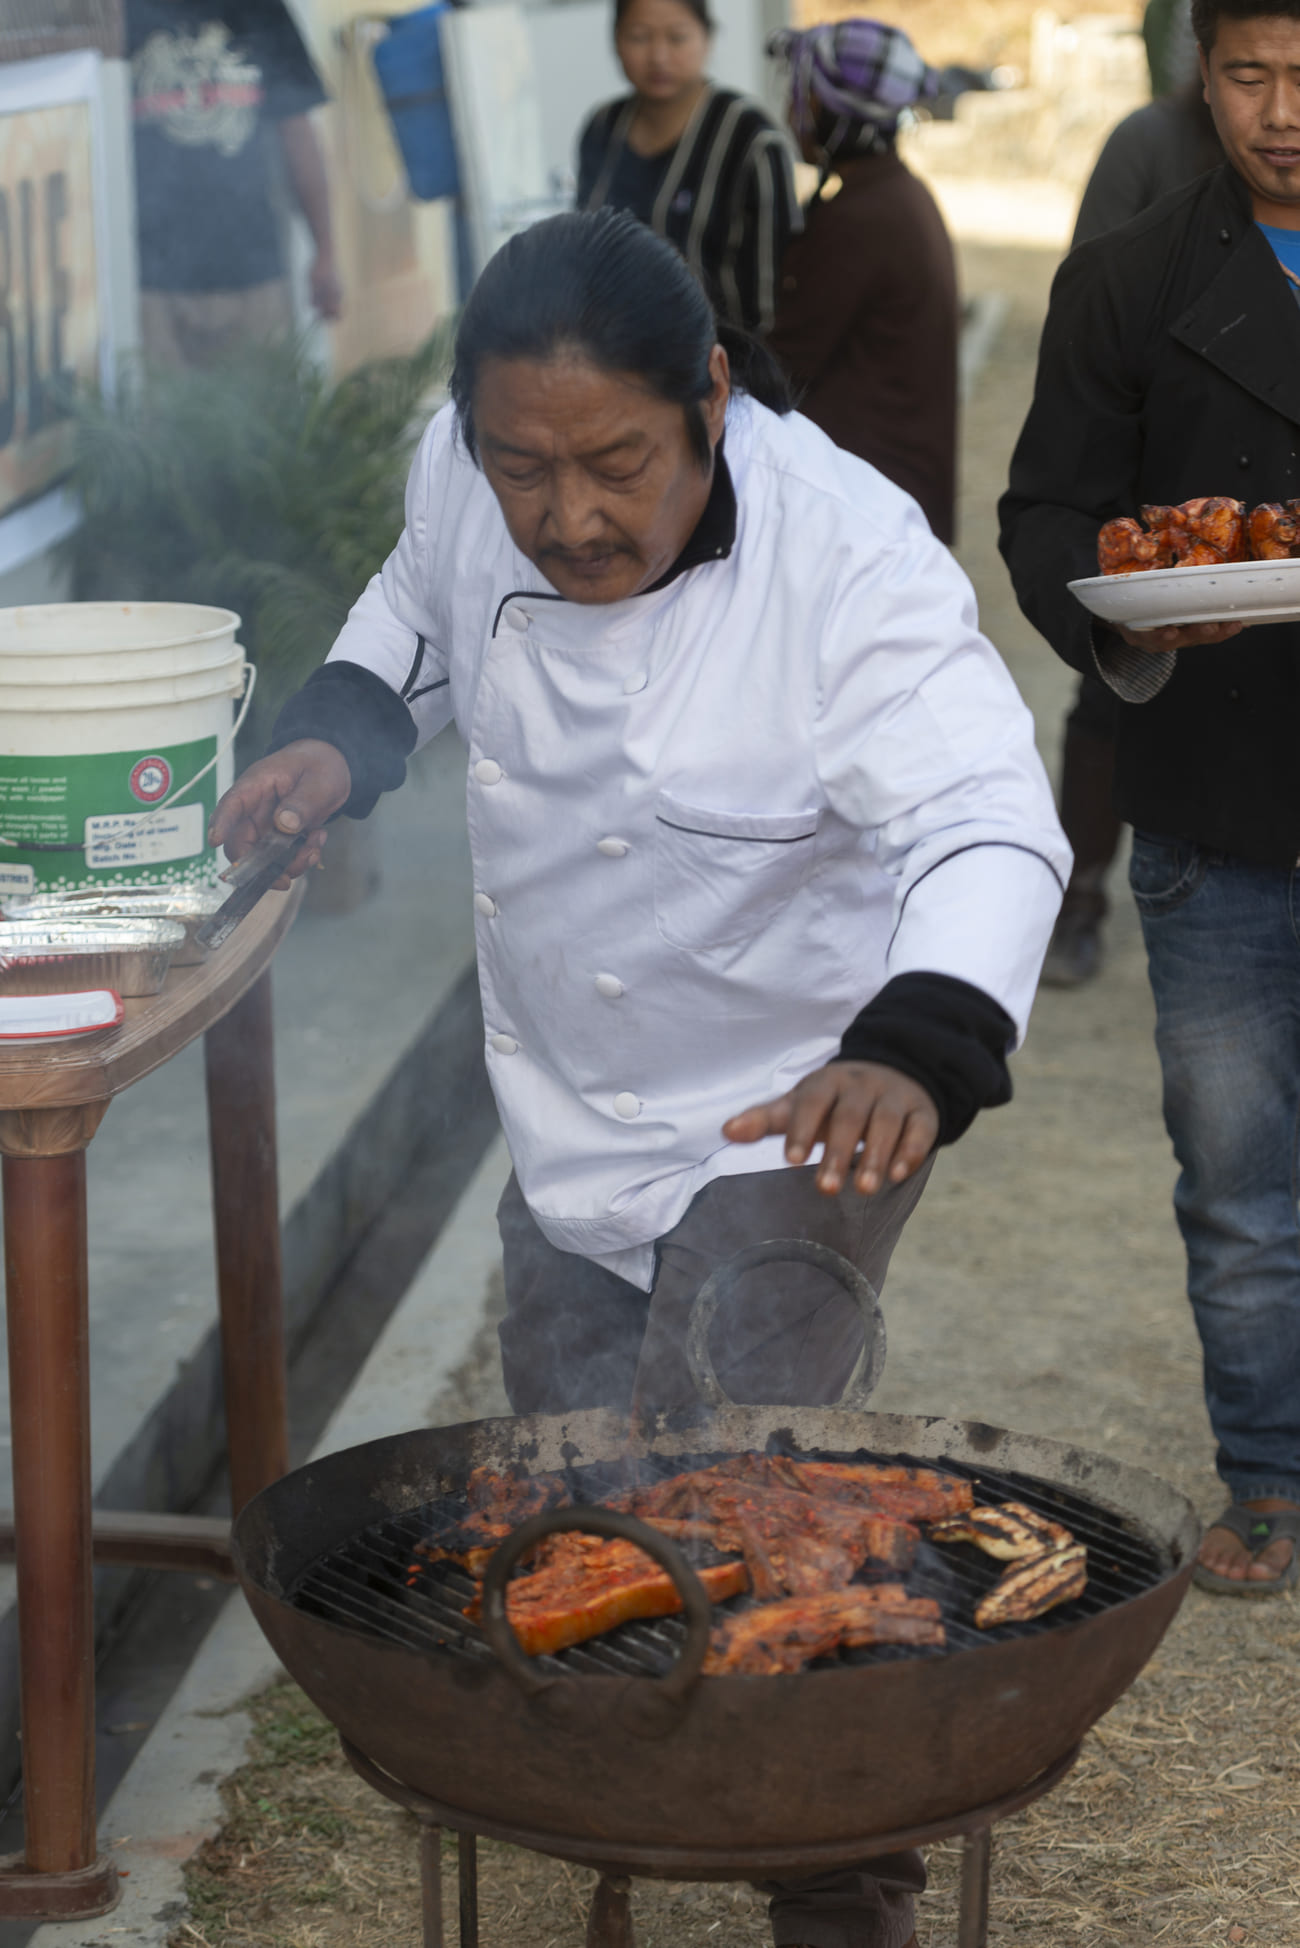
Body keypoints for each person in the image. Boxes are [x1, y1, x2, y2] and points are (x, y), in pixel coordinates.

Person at [214, 209, 1067, 1948]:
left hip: (795, 1108)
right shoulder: (469, 474)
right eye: (526, 469)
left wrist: (914, 1040)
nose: (571, 514)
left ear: (715, 400)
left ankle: (839, 1892)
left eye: (617, 463)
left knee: (747, 1492)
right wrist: (339, 731)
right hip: (567, 1102)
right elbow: (418, 612)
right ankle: (614, 1833)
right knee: (577, 1480)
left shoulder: (848, 560)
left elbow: (985, 811)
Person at [999, 0, 1300, 1595]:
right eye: (1249, 75)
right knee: (1242, 1183)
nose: (1282, 112)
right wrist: (1129, 614)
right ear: (1201, 72)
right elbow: (1048, 510)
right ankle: (1265, 1477)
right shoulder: (1129, 279)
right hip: (1217, 798)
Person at [1043, 9, 1224, 988]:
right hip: (1154, 487)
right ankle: (1077, 897)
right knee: (1111, 695)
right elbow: (1090, 315)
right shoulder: (1147, 147)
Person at [765, 20, 959, 544]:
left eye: (802, 97)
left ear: (836, 115)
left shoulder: (858, 217)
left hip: (868, 506)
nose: (790, 113)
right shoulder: (895, 193)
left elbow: (783, 362)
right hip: (896, 488)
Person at [128, 0, 343, 369]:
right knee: (157, 423)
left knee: (264, 422)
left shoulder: (262, 11)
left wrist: (324, 252)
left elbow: (299, 134)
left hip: (256, 281)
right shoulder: (121, 12)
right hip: (147, 287)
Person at [576, 0, 799, 332]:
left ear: (707, 39)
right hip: (614, 354)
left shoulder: (751, 140)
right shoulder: (603, 127)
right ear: (615, 40)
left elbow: (778, 290)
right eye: (639, 37)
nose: (658, 57)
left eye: (677, 38)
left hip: (722, 363)